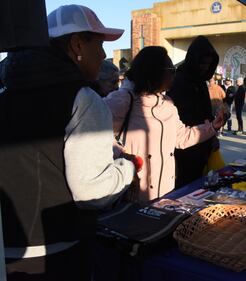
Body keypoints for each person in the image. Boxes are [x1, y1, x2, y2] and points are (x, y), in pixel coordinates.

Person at [0, 5, 138, 280]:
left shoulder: (6, 92)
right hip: (57, 253)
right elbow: (90, 191)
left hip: (8, 246)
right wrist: (127, 168)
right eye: (98, 44)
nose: (102, 55)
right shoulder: (84, 98)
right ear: (77, 44)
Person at [105, 46, 224, 202]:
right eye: (171, 70)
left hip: (167, 193)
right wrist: (121, 154)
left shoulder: (167, 104)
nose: (174, 75)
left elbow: (182, 137)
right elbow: (93, 136)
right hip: (132, 194)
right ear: (154, 71)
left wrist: (213, 126)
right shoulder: (122, 100)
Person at [167, 35, 220, 188]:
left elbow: (205, 112)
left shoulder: (201, 82)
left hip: (203, 143)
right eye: (202, 63)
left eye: (208, 64)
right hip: (184, 148)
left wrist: (212, 136)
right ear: (193, 60)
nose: (205, 67)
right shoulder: (178, 80)